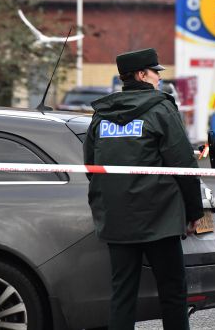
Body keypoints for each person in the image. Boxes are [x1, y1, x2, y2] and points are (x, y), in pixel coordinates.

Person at [83, 48, 203, 330]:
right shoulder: (161, 110)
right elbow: (183, 164)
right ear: (141, 75)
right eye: (155, 72)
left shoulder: (102, 116)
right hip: (160, 219)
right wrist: (194, 212)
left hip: (117, 219)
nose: (159, 78)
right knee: (172, 292)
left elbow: (91, 166)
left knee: (123, 294)